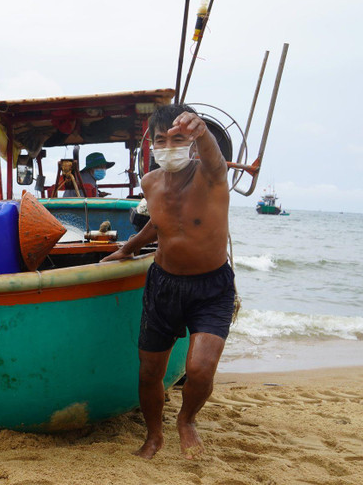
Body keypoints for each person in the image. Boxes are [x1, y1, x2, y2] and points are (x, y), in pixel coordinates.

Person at [101, 104, 234, 460]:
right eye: (162, 140)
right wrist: (127, 249)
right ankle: (154, 435)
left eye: (179, 138)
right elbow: (159, 222)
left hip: (212, 287)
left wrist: (202, 132)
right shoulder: (150, 182)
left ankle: (187, 421)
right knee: (148, 373)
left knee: (200, 370)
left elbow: (216, 160)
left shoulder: (211, 176)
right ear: (152, 145)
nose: (169, 146)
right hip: (163, 285)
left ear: (191, 142)